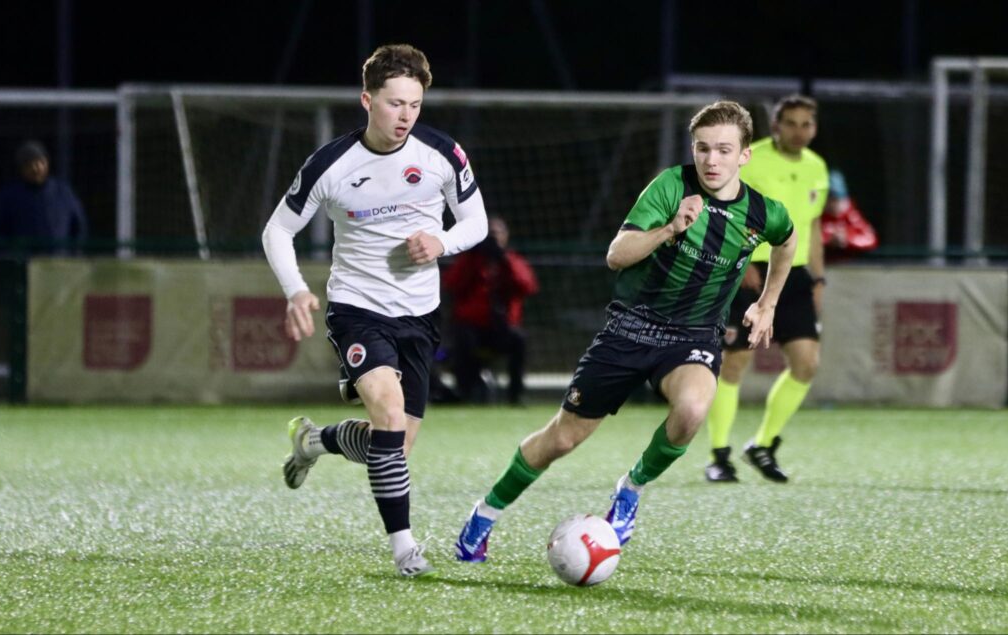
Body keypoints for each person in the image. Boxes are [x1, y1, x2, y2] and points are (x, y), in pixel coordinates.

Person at [454, 101, 796, 562]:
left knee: (693, 409)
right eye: (702, 149)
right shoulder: (670, 186)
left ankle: (630, 489)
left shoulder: (761, 211)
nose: (711, 160)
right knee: (563, 438)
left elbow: (787, 238)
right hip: (631, 328)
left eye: (723, 150)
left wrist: (767, 302)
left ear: (744, 156)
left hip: (693, 335)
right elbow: (617, 254)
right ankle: (486, 513)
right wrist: (671, 228)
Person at [261, 44, 488, 577]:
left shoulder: (442, 153)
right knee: (386, 416)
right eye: (394, 103)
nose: (406, 115)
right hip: (357, 310)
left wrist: (442, 242)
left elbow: (475, 221)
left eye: (414, 103)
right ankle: (405, 547)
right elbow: (277, 230)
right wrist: (296, 290)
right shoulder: (331, 164)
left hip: (420, 315)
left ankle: (315, 440)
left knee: (395, 445)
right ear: (367, 100)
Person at [703, 95, 828, 484]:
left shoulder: (817, 167)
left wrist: (819, 279)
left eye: (806, 123)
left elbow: (815, 227)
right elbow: (722, 213)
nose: (798, 130)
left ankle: (763, 444)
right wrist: (738, 268)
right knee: (736, 362)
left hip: (795, 275)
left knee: (806, 364)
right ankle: (719, 455)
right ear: (775, 126)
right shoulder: (750, 159)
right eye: (790, 123)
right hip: (751, 270)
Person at [442, 215, 539, 404]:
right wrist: (473, 258)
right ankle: (465, 393)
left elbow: (528, 286)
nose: (493, 238)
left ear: (506, 236)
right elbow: (451, 285)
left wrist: (504, 261)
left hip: (502, 329)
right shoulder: (470, 260)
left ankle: (516, 395)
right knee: (462, 338)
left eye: (497, 234)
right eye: (489, 234)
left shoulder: (512, 260)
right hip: (472, 328)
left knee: (519, 340)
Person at [0, 140, 88, 255]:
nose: (36, 168)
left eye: (40, 162)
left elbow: (78, 227)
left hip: (58, 263)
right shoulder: (9, 197)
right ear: (21, 168)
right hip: (22, 264)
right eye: (29, 164)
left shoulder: (63, 192)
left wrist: (75, 254)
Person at [820, 169, 877, 262]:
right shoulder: (816, 215)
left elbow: (870, 239)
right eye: (829, 199)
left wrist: (847, 238)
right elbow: (805, 240)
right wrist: (829, 239)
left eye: (837, 199)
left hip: (849, 268)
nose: (833, 204)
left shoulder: (851, 215)